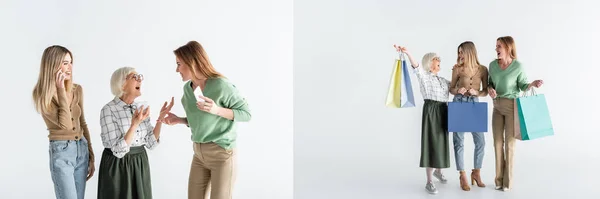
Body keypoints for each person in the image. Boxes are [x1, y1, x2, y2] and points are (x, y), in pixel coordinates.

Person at [160, 41, 252, 199]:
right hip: (199, 154)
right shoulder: (187, 89)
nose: (176, 70)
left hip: (222, 155)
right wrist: (179, 120)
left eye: (179, 64)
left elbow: (246, 114)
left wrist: (216, 110)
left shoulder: (221, 86)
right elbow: (201, 120)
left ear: (192, 62)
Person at [97, 67, 174, 199]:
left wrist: (160, 119)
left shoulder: (139, 108)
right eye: (134, 77)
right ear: (122, 83)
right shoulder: (108, 110)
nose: (140, 80)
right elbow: (118, 151)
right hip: (118, 165)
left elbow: (151, 143)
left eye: (140, 77)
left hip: (139, 162)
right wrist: (134, 124)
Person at [32, 45, 95, 199]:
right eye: (65, 63)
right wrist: (60, 90)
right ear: (53, 64)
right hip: (62, 152)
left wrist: (91, 156)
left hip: (81, 148)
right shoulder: (42, 94)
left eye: (71, 62)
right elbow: (65, 125)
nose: (70, 67)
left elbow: (83, 122)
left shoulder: (77, 89)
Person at [488, 36, 544, 192]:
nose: (496, 49)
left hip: (512, 107)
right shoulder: (492, 65)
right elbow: (489, 83)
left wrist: (532, 84)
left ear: (508, 47)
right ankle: (498, 180)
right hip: (497, 106)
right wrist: (490, 89)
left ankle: (508, 182)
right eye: (496, 46)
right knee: (497, 144)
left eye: (499, 46)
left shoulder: (518, 66)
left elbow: (523, 85)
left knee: (510, 145)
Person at [394, 45, 450, 194]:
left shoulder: (443, 80)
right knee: (431, 143)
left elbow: (455, 88)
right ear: (429, 63)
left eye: (439, 61)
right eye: (436, 61)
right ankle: (429, 181)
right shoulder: (424, 77)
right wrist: (407, 53)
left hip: (443, 109)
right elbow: (416, 66)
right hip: (431, 111)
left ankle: (438, 171)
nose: (439, 63)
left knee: (441, 141)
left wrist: (462, 89)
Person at [448, 41, 489, 191]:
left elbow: (485, 91)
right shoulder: (457, 69)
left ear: (470, 52)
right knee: (459, 142)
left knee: (481, 142)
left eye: (461, 52)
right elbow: (451, 88)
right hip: (459, 103)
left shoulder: (483, 70)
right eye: (458, 52)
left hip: (474, 104)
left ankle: (476, 172)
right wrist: (457, 90)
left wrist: (476, 92)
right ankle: (462, 174)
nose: (459, 55)